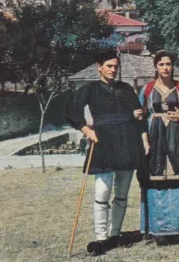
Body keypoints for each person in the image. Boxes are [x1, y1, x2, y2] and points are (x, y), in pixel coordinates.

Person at [66, 51, 148, 256]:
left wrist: (140, 116)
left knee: (122, 193)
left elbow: (139, 115)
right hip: (103, 142)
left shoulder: (126, 88)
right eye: (109, 66)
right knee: (102, 193)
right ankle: (101, 238)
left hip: (128, 141)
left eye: (115, 66)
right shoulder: (90, 88)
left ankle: (115, 234)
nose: (113, 70)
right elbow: (72, 111)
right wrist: (87, 130)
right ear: (99, 66)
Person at [137, 50, 179, 243]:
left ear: (173, 66)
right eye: (162, 64)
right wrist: (144, 139)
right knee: (156, 179)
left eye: (168, 64)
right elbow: (140, 115)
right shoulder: (147, 89)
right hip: (155, 139)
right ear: (156, 66)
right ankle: (157, 228)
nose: (165, 68)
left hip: (178, 138)